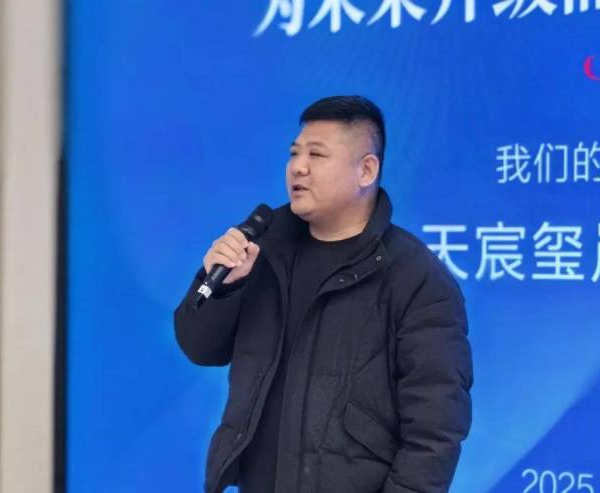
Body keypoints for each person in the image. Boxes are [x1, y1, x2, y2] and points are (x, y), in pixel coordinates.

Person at [174, 95, 473, 493]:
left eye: (316, 155)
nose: (298, 167)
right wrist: (225, 286)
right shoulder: (262, 248)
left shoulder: (415, 278)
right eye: (294, 153)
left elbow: (435, 429)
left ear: (366, 170)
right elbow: (198, 347)